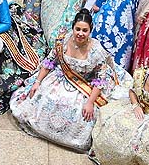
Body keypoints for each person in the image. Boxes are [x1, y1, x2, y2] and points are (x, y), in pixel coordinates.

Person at [11, 8, 128, 151]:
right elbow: (50, 62)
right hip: (60, 79)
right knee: (43, 99)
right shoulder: (63, 41)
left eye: (84, 30)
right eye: (77, 29)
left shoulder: (96, 50)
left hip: (84, 85)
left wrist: (90, 102)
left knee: (78, 112)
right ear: (72, 28)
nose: (80, 33)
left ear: (90, 30)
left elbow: (101, 79)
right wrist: (37, 82)